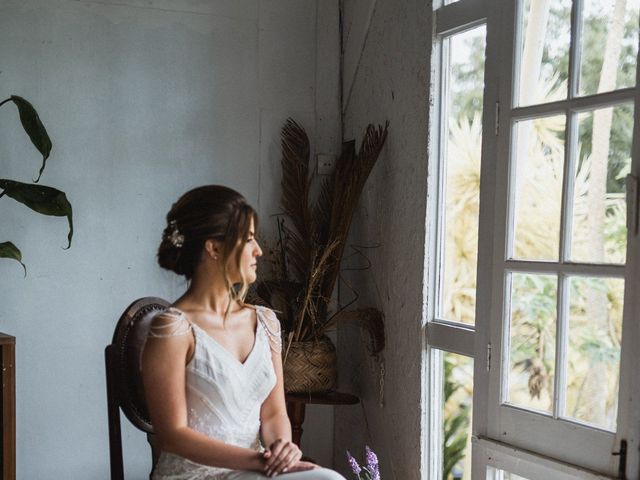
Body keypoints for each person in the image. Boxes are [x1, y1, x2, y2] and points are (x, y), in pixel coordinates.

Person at [142, 185, 346, 480]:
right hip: (194, 476)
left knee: (328, 479)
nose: (258, 250)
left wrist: (282, 449)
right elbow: (172, 435)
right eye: (248, 239)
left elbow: (274, 413)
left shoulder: (264, 321)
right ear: (214, 248)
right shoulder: (173, 329)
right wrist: (259, 461)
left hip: (253, 471)